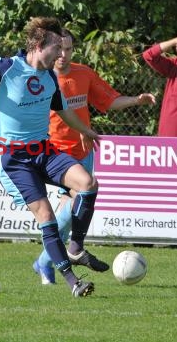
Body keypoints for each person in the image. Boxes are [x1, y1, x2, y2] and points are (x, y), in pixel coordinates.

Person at [0, 16, 101, 297]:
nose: (61, 54)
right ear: (37, 45)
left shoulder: (50, 77)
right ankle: (73, 282)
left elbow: (64, 110)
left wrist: (87, 130)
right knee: (46, 216)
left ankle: (76, 247)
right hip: (15, 160)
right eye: (56, 48)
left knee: (88, 184)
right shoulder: (5, 68)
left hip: (44, 150)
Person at [33, 28, 157, 285]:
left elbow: (108, 101)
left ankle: (47, 260)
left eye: (68, 49)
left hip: (83, 150)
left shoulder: (83, 73)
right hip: (53, 154)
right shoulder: (39, 78)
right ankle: (54, 258)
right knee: (74, 203)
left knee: (77, 208)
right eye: (59, 49)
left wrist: (137, 100)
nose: (63, 55)